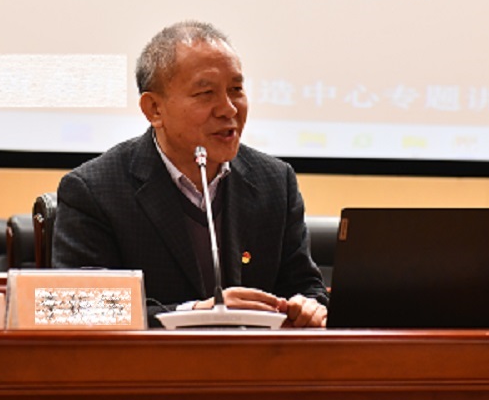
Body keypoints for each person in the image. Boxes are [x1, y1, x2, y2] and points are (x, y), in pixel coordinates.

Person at [52, 21, 329, 327]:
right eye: (206, 93)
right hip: (151, 357)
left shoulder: (275, 181)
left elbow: (307, 287)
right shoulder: (94, 191)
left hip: (258, 356)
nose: (229, 109)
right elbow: (78, 308)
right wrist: (191, 313)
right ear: (154, 109)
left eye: (236, 90)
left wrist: (308, 306)